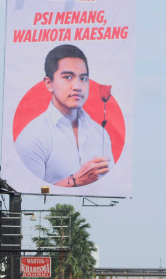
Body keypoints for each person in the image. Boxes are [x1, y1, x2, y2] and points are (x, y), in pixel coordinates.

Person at [15, 44, 113, 187]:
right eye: (68, 77)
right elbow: (27, 191)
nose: (77, 86)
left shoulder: (100, 133)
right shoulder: (32, 136)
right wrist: (74, 181)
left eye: (83, 78)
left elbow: (112, 184)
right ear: (49, 83)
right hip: (49, 209)